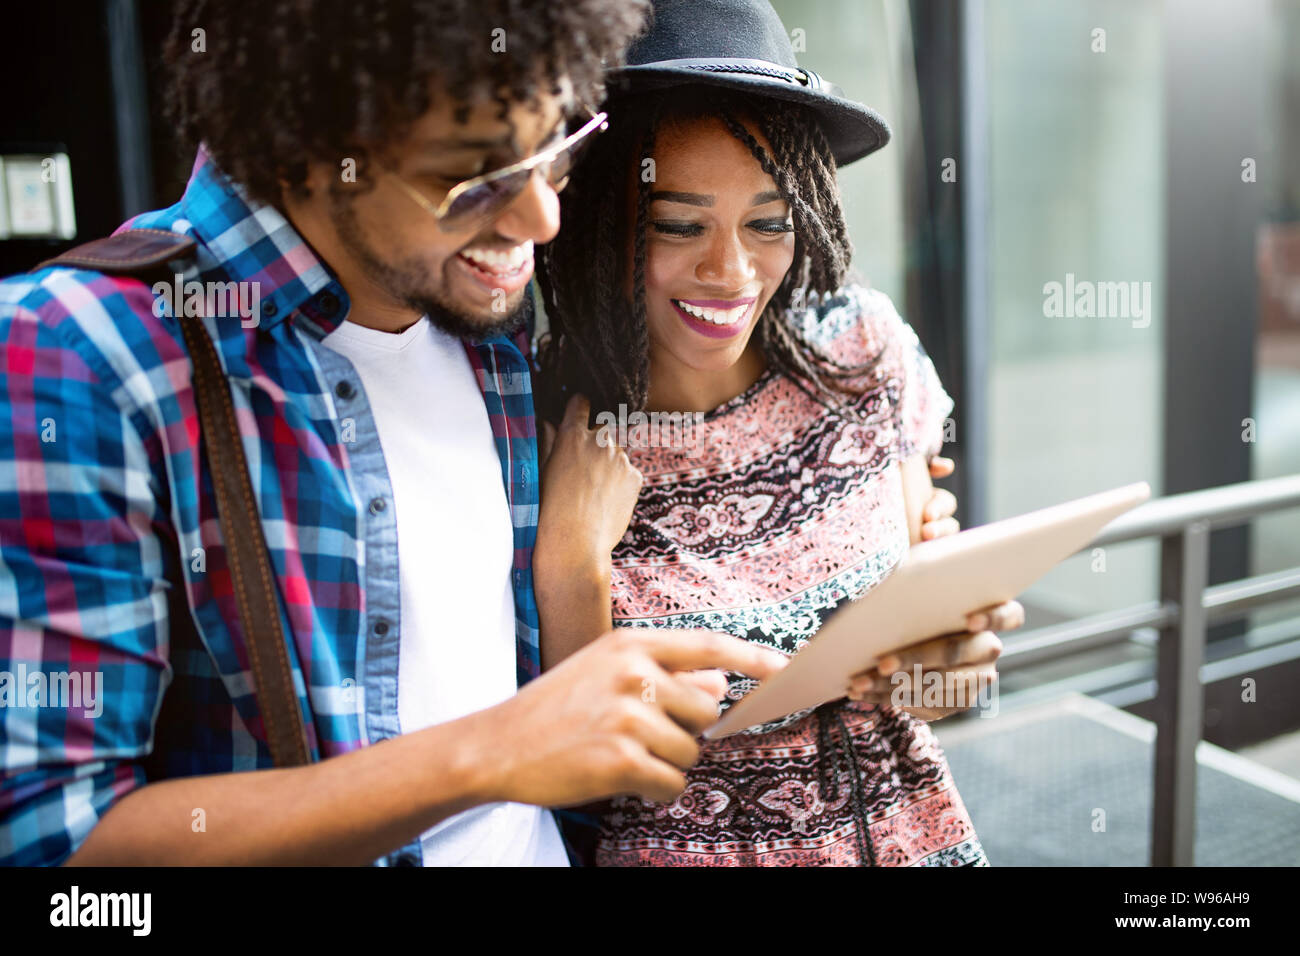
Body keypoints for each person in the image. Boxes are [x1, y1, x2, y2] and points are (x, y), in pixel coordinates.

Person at [0, 0, 788, 867]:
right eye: (471, 177)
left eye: (558, 144)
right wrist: (495, 751)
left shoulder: (498, 322)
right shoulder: (80, 353)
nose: (539, 219)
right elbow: (56, 848)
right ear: (302, 146)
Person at [534, 0, 1024, 865]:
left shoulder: (861, 355)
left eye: (768, 223)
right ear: (602, 224)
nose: (731, 271)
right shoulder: (549, 433)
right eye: (677, 226)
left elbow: (933, 692)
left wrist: (952, 666)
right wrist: (572, 564)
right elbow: (581, 774)